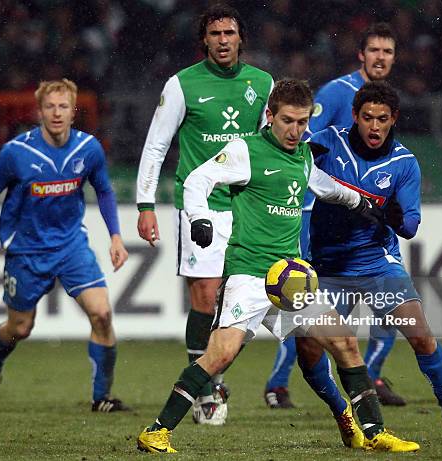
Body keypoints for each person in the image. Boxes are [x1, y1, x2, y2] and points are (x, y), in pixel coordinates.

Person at [136, 79, 420, 454]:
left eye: (303, 122)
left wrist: (359, 203)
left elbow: (324, 185)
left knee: (344, 342)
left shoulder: (302, 154)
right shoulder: (245, 150)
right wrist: (200, 219)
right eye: (288, 121)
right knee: (221, 354)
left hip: (290, 280)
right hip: (250, 276)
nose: (295, 130)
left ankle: (372, 431)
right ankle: (156, 431)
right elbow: (197, 180)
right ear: (270, 115)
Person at [304, 81, 442, 447]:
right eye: (367, 117)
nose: (374, 126)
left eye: (381, 119)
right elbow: (292, 155)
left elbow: (411, 227)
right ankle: (344, 414)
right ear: (355, 116)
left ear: (393, 119)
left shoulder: (403, 163)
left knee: (419, 333)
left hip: (376, 264)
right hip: (328, 266)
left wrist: (394, 215)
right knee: (308, 349)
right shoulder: (327, 142)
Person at [136, 4, 274, 425]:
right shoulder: (182, 85)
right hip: (202, 207)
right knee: (205, 297)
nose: (223, 40)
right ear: (205, 40)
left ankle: (212, 372)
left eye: (229, 33)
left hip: (249, 207)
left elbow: (275, 141)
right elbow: (156, 145)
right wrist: (145, 205)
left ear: (240, 38)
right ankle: (207, 391)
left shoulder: (262, 83)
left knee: (246, 302)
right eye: (215, 34)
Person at [264, 22, 406, 407]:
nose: (381, 57)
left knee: (392, 304)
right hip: (321, 214)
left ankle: (370, 377)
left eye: (388, 51)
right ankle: (277, 384)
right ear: (361, 54)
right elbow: (301, 143)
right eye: (374, 50)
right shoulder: (336, 93)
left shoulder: (382, 100)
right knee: (307, 303)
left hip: (365, 217)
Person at [0, 79, 130, 413]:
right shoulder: (17, 152)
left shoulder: (88, 149)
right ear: (39, 111)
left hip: (71, 246)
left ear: (74, 112)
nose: (57, 113)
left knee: (102, 314)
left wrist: (115, 235)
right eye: (50, 107)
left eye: (63, 107)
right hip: (26, 251)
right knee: (20, 327)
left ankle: (102, 397)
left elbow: (103, 190)